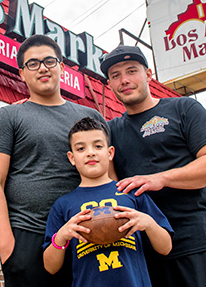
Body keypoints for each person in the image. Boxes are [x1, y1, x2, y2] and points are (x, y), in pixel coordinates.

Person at [100, 45, 206, 287]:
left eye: (131, 71)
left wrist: (160, 179)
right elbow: (108, 184)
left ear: (148, 75)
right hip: (143, 251)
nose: (124, 80)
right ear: (110, 84)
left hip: (193, 243)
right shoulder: (110, 131)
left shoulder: (184, 108)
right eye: (115, 76)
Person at [0, 34, 106, 287]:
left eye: (49, 61)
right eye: (33, 63)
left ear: (61, 67)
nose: (42, 68)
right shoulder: (8, 117)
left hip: (88, 233)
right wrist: (8, 249)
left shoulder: (90, 116)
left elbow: (109, 174)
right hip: (30, 237)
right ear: (21, 73)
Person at [43, 117, 173, 287]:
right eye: (81, 148)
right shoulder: (63, 205)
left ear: (110, 153)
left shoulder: (131, 192)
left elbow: (166, 248)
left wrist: (148, 222)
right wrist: (61, 237)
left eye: (98, 146)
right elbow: (50, 267)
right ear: (71, 158)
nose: (90, 152)